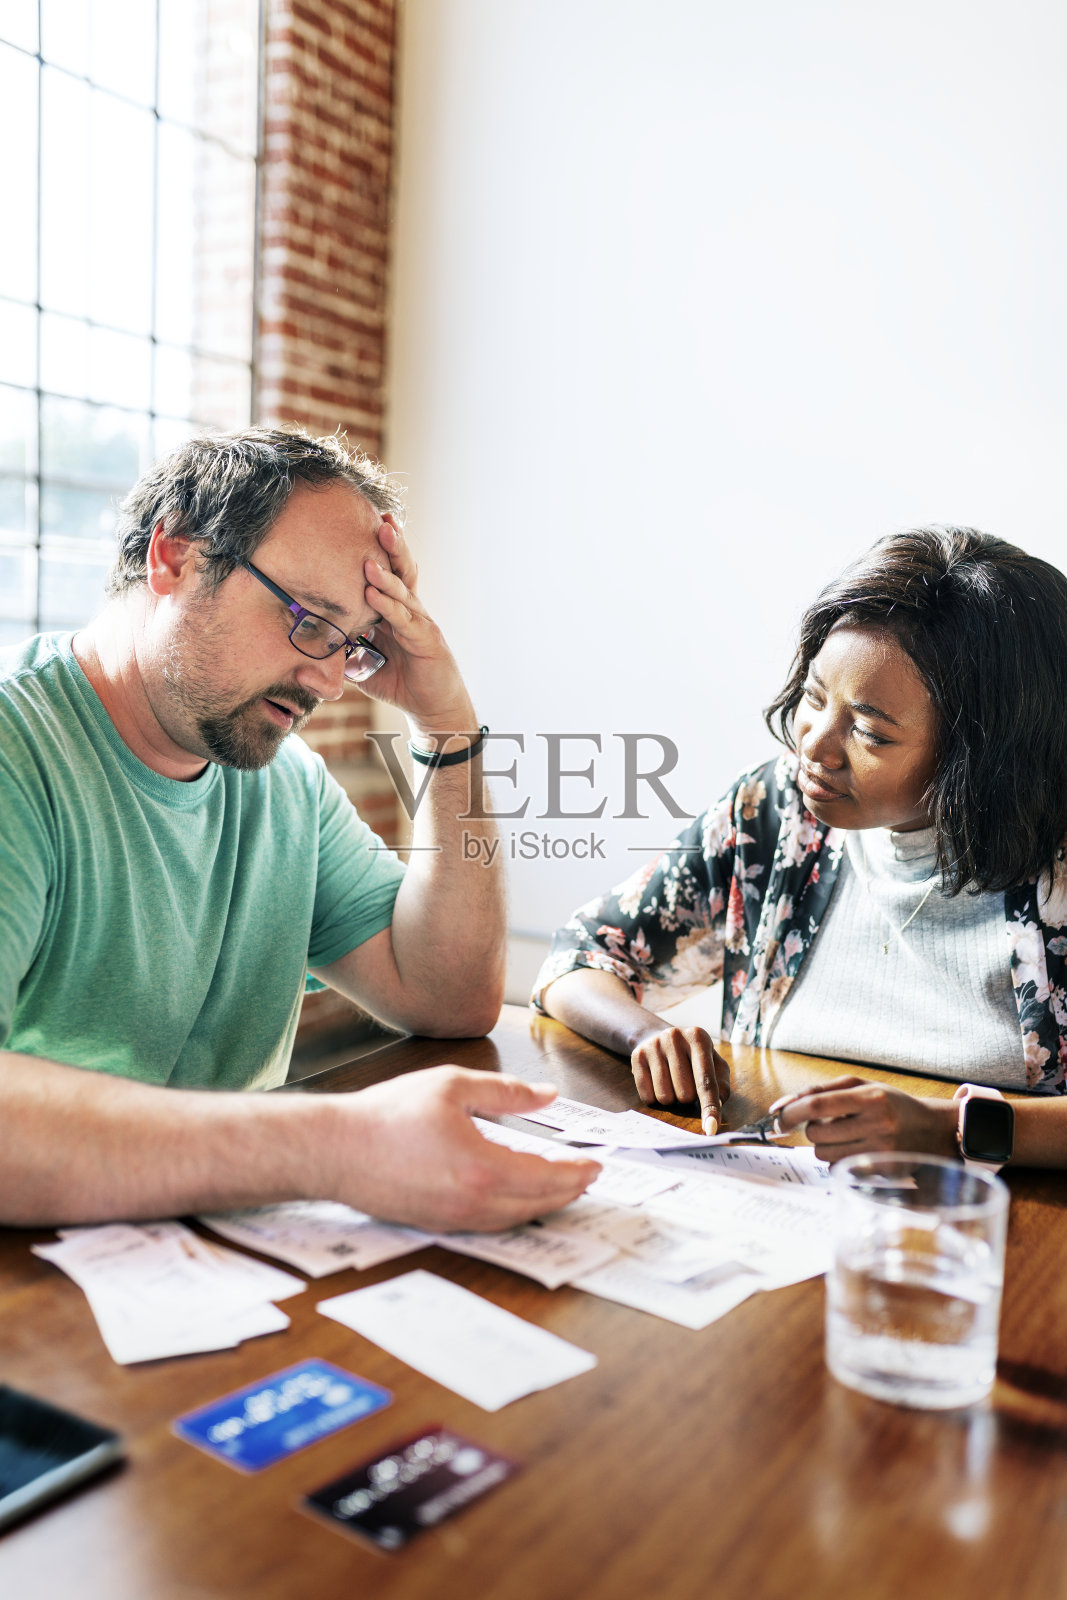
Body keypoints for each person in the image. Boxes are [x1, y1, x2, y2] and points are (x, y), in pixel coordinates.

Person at [0, 427, 599, 1228]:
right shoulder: (19, 749)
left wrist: (445, 723)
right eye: (308, 619)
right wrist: (333, 1146)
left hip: (210, 1257)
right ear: (173, 556)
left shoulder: (283, 783)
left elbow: (448, 996)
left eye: (352, 645)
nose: (329, 680)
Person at [534, 527, 1067, 1167]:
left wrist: (949, 1129)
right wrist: (647, 1034)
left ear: (981, 756)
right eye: (815, 697)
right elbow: (579, 956)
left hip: (1004, 1233)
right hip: (784, 1203)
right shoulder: (773, 816)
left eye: (869, 731)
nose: (814, 744)